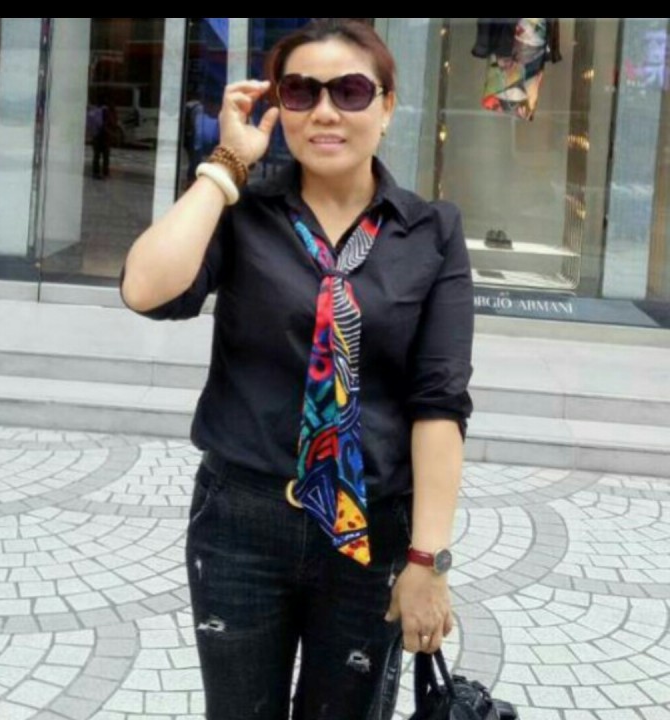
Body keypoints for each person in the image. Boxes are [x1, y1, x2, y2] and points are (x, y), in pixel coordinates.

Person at [120, 18, 473, 720]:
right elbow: (145, 290)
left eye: (350, 91)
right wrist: (226, 165)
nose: (325, 112)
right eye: (302, 92)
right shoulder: (242, 212)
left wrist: (427, 560)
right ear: (279, 106)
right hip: (241, 522)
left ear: (387, 106)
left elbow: (439, 403)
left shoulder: (431, 231)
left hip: (373, 526)